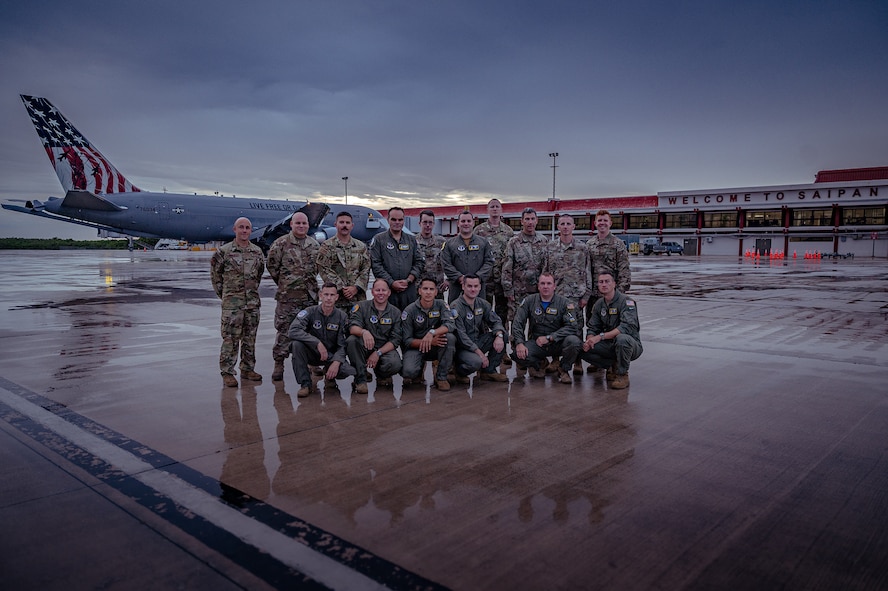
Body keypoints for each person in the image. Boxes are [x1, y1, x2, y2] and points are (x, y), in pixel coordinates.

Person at [210, 217, 265, 387]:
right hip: (232, 305)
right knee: (230, 339)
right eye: (241, 227)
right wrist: (227, 296)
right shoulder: (223, 252)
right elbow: (216, 277)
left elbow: (259, 275)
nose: (244, 230)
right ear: (235, 230)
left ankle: (248, 368)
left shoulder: (257, 252)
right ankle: (227, 372)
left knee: (250, 338)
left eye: (247, 228)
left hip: (252, 304)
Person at [266, 212, 320, 381]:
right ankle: (279, 363)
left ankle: (312, 363)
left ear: (308, 226)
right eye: (298, 223)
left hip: (309, 297)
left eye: (304, 223)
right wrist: (286, 283)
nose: (301, 226)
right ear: (291, 224)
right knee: (284, 330)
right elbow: (272, 267)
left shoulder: (314, 245)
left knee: (310, 330)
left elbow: (317, 268)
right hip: (287, 297)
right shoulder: (280, 244)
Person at [287, 283, 357, 398]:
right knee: (296, 345)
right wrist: (317, 343)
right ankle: (305, 384)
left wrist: (336, 362)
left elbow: (342, 345)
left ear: (336, 297)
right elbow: (293, 331)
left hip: (331, 355)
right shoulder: (309, 312)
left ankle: (330, 376)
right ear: (320, 295)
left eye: (332, 295)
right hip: (313, 353)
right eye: (326, 294)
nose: (329, 298)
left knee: (347, 371)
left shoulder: (342, 316)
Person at [544, 214, 593, 375]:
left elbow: (588, 272)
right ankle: (555, 360)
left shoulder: (582, 248)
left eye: (568, 224)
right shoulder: (550, 247)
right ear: (558, 227)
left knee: (577, 328)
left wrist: (586, 295)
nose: (565, 227)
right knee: (555, 327)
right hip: (556, 296)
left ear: (574, 227)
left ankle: (577, 361)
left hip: (575, 297)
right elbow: (546, 272)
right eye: (562, 224)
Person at [510, 273, 580, 384]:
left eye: (549, 283)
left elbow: (572, 326)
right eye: (542, 283)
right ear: (538, 286)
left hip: (557, 343)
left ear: (554, 286)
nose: (545, 286)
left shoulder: (564, 303)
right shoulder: (529, 301)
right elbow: (517, 323)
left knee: (574, 342)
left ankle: (563, 369)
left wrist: (550, 337)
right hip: (538, 344)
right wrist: (519, 343)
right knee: (516, 354)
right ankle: (540, 364)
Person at [580, 271, 642, 389]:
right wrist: (590, 340)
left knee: (622, 339)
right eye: (601, 282)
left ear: (614, 284)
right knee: (580, 347)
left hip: (631, 345)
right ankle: (611, 366)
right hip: (609, 344)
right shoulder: (599, 304)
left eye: (607, 281)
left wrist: (600, 337)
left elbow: (626, 327)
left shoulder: (627, 302)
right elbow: (593, 327)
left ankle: (622, 374)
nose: (604, 284)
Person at [346, 278, 403, 394]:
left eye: (383, 290)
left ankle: (381, 374)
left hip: (383, 349)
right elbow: (352, 328)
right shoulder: (361, 307)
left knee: (395, 364)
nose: (381, 293)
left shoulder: (396, 312)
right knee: (352, 341)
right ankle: (360, 379)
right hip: (365, 346)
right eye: (377, 290)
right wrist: (364, 332)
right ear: (372, 292)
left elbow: (395, 340)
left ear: (389, 292)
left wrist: (378, 353)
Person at [399, 277, 456, 391]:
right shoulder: (409, 311)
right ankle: (418, 371)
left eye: (431, 289)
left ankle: (441, 377)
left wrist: (432, 333)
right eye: (425, 289)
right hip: (416, 347)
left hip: (436, 346)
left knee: (450, 338)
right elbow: (406, 340)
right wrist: (426, 341)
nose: (428, 292)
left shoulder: (441, 305)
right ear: (419, 291)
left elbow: (450, 324)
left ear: (436, 292)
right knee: (408, 372)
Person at [451, 274, 508, 383]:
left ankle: (488, 371)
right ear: (463, 286)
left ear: (480, 287)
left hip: (478, 340)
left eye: (476, 286)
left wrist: (499, 335)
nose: (473, 289)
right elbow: (461, 335)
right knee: (475, 362)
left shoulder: (482, 304)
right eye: (469, 286)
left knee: (503, 335)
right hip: (462, 347)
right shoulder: (456, 307)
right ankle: (459, 372)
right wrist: (480, 354)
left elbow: (496, 321)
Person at [369, 206, 424, 311]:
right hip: (387, 292)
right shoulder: (379, 240)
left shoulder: (411, 240)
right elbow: (376, 264)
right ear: (388, 220)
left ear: (404, 221)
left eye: (400, 219)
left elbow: (419, 262)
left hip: (409, 291)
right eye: (393, 219)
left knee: (409, 322)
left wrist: (409, 280)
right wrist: (391, 282)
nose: (397, 222)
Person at [317, 211, 371, 310]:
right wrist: (342, 288)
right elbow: (323, 268)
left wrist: (356, 287)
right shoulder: (327, 246)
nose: (344, 225)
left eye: (347, 223)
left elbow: (366, 269)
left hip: (357, 299)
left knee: (357, 324)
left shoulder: (360, 246)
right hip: (336, 300)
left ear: (352, 225)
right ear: (335, 225)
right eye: (341, 222)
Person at [502, 207, 548, 322]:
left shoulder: (543, 241)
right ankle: (514, 341)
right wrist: (508, 290)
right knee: (516, 323)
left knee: (538, 324)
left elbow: (547, 267)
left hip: (538, 292)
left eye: (532, 219)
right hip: (518, 292)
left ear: (537, 220)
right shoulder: (514, 242)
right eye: (527, 219)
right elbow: (507, 268)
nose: (530, 222)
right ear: (522, 221)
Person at [474, 198, 514, 323]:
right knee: (484, 307)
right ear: (488, 210)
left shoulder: (508, 231)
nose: (495, 209)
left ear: (501, 210)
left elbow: (512, 254)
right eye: (492, 207)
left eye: (497, 206)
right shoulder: (479, 230)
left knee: (502, 310)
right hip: (486, 277)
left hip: (502, 277)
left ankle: (500, 335)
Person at [441, 210, 494, 302]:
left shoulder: (483, 243)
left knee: (479, 313)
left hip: (478, 290)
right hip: (457, 289)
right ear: (458, 223)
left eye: (469, 221)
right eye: (463, 221)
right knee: (456, 314)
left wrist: (477, 279)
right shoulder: (449, 244)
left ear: (473, 223)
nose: (466, 224)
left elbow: (489, 262)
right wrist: (460, 278)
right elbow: (446, 264)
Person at [586, 209, 631, 307]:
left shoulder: (618, 244)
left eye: (605, 221)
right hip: (593, 296)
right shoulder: (589, 244)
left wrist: (619, 295)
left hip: (612, 295)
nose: (602, 223)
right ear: (595, 223)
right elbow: (586, 270)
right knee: (592, 322)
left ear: (610, 223)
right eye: (600, 220)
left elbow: (624, 271)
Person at [415, 209, 448, 297]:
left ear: (434, 224)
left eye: (430, 222)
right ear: (419, 223)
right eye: (425, 222)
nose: (428, 225)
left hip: (437, 289)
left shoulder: (441, 242)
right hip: (418, 289)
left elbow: (450, 261)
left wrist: (449, 279)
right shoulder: (413, 242)